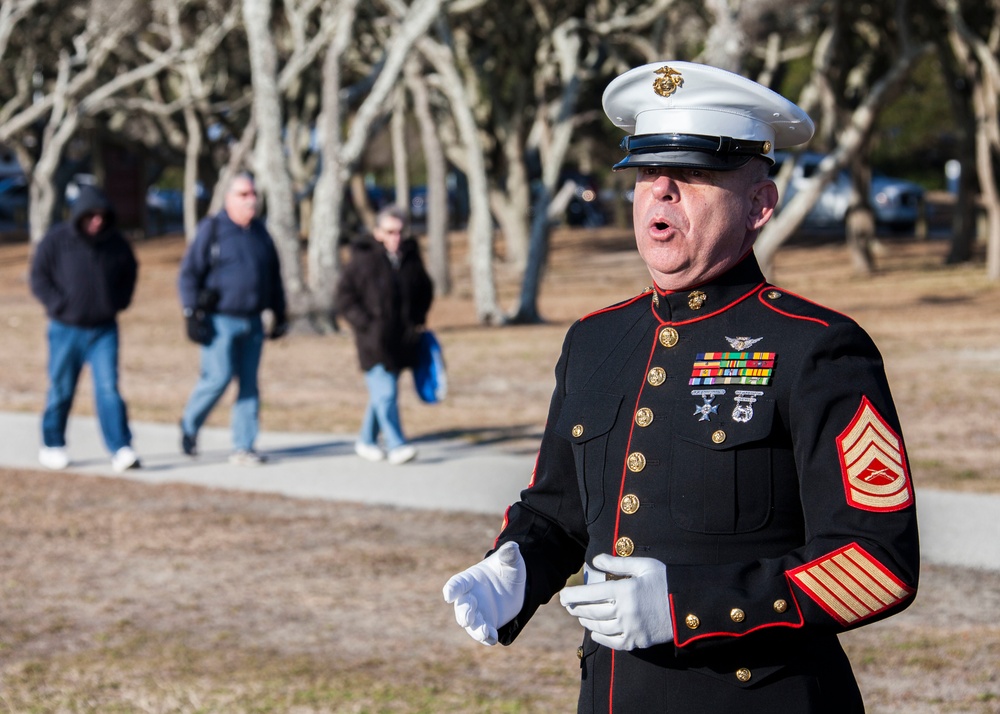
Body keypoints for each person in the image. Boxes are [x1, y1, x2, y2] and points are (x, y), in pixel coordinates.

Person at [443, 61, 919, 712]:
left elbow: (877, 562)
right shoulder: (595, 340)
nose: (661, 191)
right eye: (646, 174)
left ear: (759, 204)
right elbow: (561, 511)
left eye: (693, 175)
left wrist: (687, 609)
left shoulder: (816, 346)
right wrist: (514, 566)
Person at [177, 173, 287, 466]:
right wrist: (190, 312)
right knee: (218, 378)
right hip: (219, 320)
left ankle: (244, 446)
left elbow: (273, 277)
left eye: (253, 194)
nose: (251, 199)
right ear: (228, 199)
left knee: (249, 384)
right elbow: (188, 274)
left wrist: (280, 312)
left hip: (252, 321)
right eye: (243, 194)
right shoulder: (213, 230)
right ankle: (189, 423)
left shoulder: (261, 234)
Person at [30, 184, 141, 473]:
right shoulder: (57, 240)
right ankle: (52, 444)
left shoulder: (116, 243)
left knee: (108, 390)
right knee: (61, 389)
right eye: (91, 215)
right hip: (65, 329)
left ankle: (121, 448)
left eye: (102, 215)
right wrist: (59, 305)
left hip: (104, 330)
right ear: (79, 215)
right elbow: (38, 277)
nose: (97, 221)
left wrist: (118, 302)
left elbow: (130, 274)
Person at [335, 205, 434, 465]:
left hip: (402, 340)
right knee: (387, 393)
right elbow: (344, 297)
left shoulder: (410, 258)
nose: (396, 237)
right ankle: (396, 444)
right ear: (377, 232)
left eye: (400, 232)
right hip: (372, 341)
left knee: (382, 395)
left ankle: (366, 441)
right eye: (390, 232)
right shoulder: (363, 259)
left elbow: (425, 289)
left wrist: (417, 320)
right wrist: (365, 323)